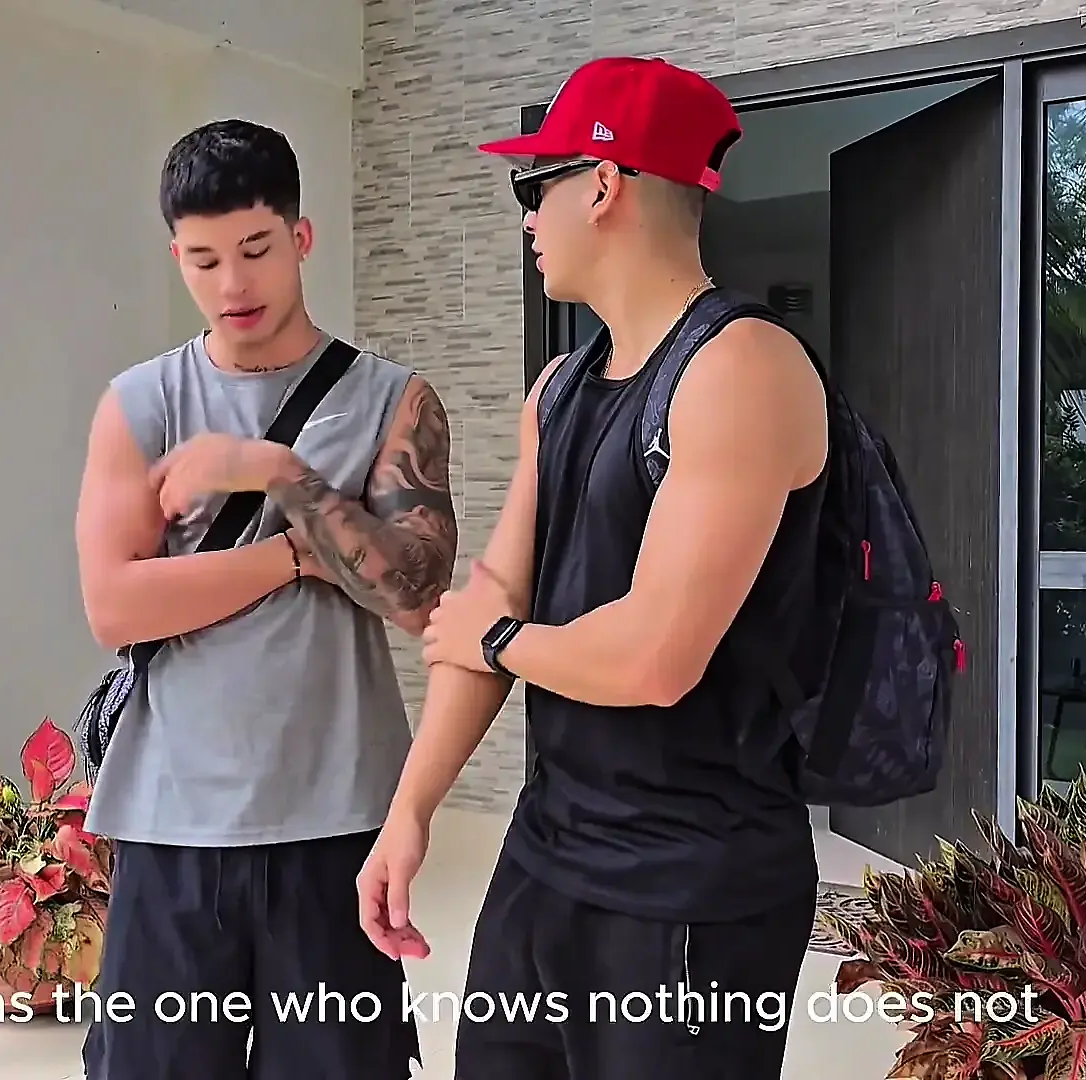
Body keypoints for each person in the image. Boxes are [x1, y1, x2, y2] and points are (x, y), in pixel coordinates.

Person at [356, 57, 832, 1079]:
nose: (530, 218)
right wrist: (411, 810)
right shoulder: (560, 389)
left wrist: (497, 638)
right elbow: (496, 594)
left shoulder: (743, 368)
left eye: (537, 187)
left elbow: (654, 656)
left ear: (605, 184)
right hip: (546, 859)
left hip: (692, 891)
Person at [74, 118, 455, 1079]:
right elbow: (115, 606)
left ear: (300, 238)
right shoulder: (139, 403)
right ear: (177, 258)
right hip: (170, 819)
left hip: (338, 819)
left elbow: (416, 594)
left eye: (255, 249)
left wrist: (275, 470)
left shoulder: (393, 400)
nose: (233, 285)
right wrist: (296, 554)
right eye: (204, 261)